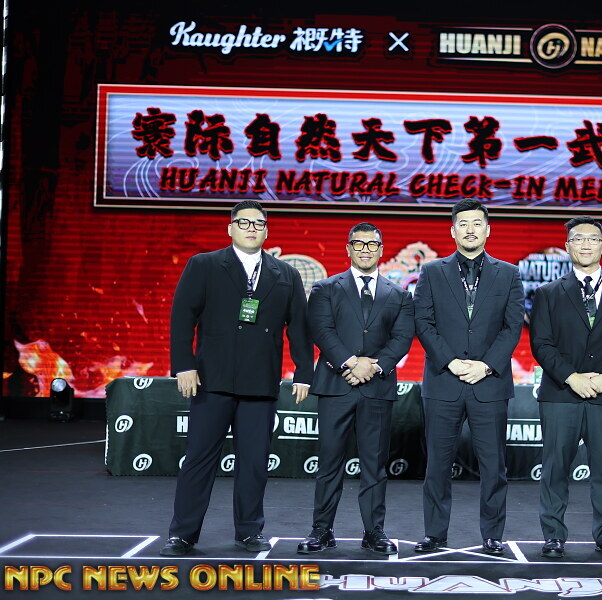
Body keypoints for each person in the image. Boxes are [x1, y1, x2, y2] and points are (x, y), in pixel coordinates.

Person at [161, 200, 314, 556]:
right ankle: (183, 533)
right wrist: (184, 365)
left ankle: (249, 531)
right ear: (230, 228)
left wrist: (304, 372)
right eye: (243, 222)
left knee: (254, 462)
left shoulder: (286, 274)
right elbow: (182, 316)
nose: (250, 228)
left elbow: (300, 328)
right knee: (199, 459)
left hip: (260, 383)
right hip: (211, 380)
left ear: (266, 231)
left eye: (258, 223)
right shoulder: (204, 265)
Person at [529, 216, 602, 560]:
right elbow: (541, 344)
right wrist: (572, 378)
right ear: (567, 247)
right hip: (560, 394)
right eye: (578, 239)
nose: (585, 244)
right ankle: (553, 536)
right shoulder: (548, 293)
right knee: (555, 469)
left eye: (592, 239)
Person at [413, 199, 524, 556]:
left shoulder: (509, 273)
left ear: (488, 229)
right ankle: (434, 534)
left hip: (489, 383)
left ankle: (492, 535)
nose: (470, 229)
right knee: (437, 465)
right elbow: (423, 322)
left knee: (494, 467)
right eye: (463, 223)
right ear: (453, 230)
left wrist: (485, 366)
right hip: (443, 382)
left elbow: (512, 327)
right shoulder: (432, 271)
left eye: (477, 223)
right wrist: (451, 362)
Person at [296, 223, 414, 556]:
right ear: (348, 248)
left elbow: (402, 338)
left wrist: (372, 367)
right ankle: (322, 530)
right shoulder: (325, 288)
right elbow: (321, 330)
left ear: (381, 250)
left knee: (374, 465)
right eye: (358, 244)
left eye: (371, 244)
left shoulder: (400, 295)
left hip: (377, 388)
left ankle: (374, 531)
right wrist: (351, 363)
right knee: (329, 462)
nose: (365, 249)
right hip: (336, 386)